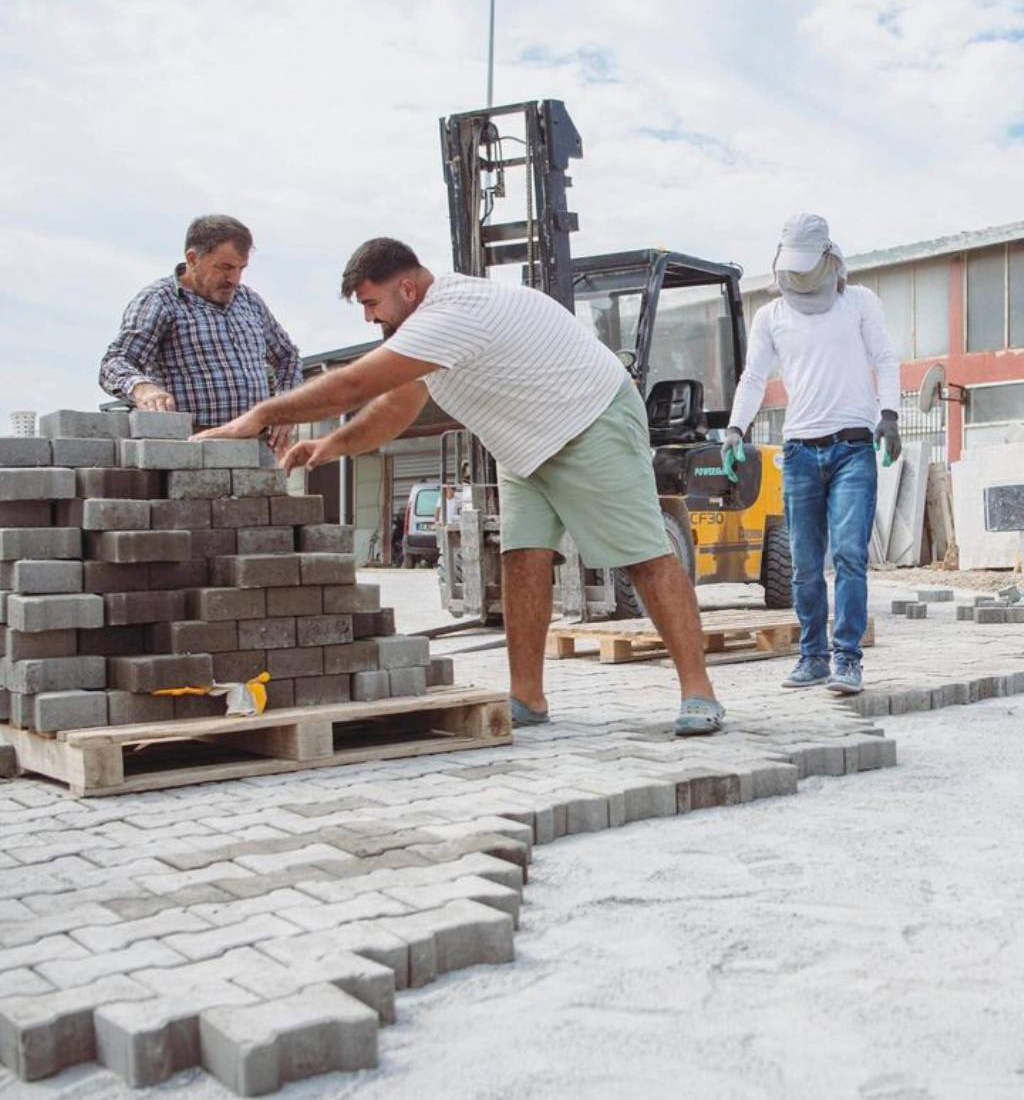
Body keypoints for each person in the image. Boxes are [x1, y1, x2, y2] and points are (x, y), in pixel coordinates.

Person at [196, 236, 726, 736]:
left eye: (371, 303)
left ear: (408, 289)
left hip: (588, 420)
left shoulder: (452, 311)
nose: (369, 317)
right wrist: (332, 446)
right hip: (524, 442)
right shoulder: (423, 330)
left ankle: (698, 692)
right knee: (521, 558)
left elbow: (356, 383)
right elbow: (395, 407)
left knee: (641, 556)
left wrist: (260, 414)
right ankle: (527, 697)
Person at [722, 213, 901, 696]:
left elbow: (884, 358)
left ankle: (847, 659)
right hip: (800, 452)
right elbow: (754, 377)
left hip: (853, 450)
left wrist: (889, 414)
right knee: (803, 564)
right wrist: (736, 427)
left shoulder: (859, 303)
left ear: (829, 259)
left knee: (847, 556)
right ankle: (812, 657)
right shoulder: (772, 316)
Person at [99, 214, 302, 455]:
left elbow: (288, 356)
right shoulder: (159, 301)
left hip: (257, 449)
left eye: (241, 268)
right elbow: (114, 363)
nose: (234, 279)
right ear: (193, 259)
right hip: (191, 452)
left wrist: (285, 407)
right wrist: (143, 388)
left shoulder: (249, 301)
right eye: (225, 267)